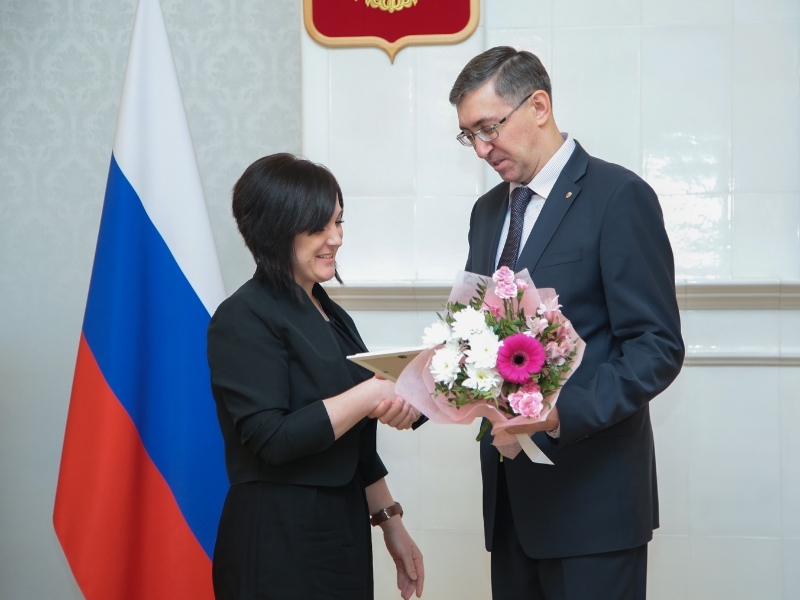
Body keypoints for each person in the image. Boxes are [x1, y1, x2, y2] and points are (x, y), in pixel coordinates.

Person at [448, 47, 685, 599]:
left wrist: (558, 413)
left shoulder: (617, 196)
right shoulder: (487, 212)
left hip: (592, 507)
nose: (481, 149)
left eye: (489, 128)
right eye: (469, 136)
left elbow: (656, 346)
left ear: (538, 106)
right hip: (510, 505)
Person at [207, 153, 424, 600]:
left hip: (340, 531)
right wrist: (371, 394)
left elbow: (355, 444)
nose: (336, 238)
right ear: (274, 229)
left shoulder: (330, 312)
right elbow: (272, 438)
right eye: (318, 227)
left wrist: (391, 523)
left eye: (338, 222)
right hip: (277, 538)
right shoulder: (243, 316)